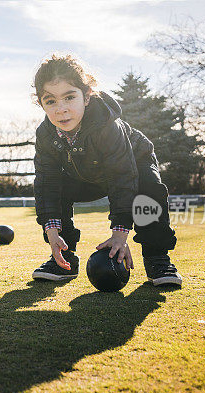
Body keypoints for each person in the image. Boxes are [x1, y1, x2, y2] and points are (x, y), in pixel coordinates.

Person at [31, 53, 182, 286]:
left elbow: (122, 177)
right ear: (41, 103)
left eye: (69, 97)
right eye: (50, 101)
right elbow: (46, 183)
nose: (61, 109)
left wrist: (120, 235)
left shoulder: (107, 127)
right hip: (84, 173)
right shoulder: (45, 135)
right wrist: (51, 232)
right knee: (57, 185)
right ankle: (63, 257)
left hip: (134, 162)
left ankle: (157, 257)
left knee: (148, 193)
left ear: (87, 97)